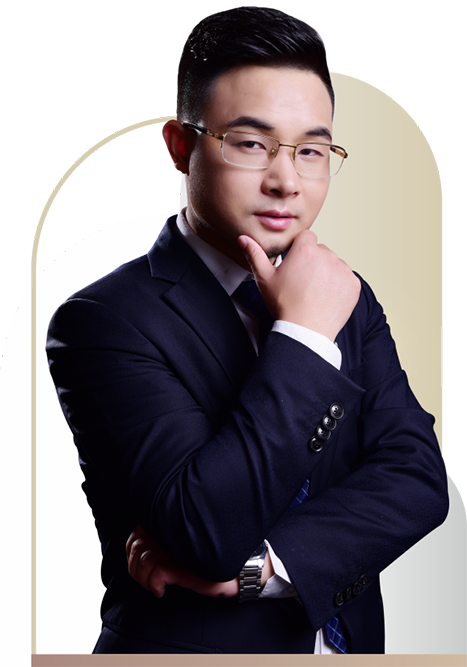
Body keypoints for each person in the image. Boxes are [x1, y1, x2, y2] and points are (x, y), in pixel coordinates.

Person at [46, 5, 448, 654]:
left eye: (311, 150)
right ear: (180, 147)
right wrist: (304, 338)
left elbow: (418, 479)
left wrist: (264, 567)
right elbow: (204, 530)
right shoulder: (103, 320)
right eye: (251, 143)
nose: (286, 181)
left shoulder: (345, 293)